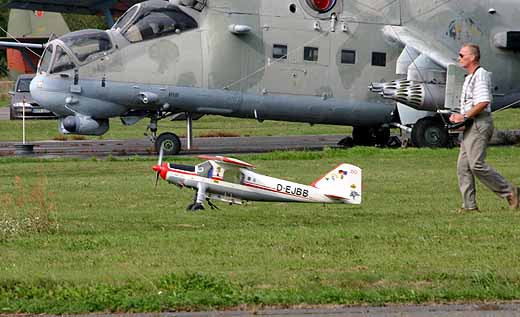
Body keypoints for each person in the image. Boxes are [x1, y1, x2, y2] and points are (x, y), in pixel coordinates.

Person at [449, 44, 519, 212]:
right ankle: (469, 206)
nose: (459, 58)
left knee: (476, 164)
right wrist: (457, 116)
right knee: (463, 166)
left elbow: (483, 102)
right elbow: (470, 105)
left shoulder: (480, 75)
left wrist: (464, 117)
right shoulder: (468, 78)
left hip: (479, 124)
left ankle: (510, 192)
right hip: (470, 124)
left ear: (472, 57)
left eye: (461, 55)